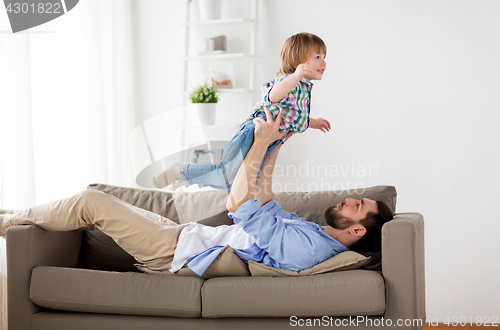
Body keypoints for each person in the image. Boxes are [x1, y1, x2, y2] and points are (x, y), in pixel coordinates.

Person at [0, 109, 393, 276]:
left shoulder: (310, 251)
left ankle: (9, 222)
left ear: (358, 230)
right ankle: (15, 214)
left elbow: (237, 203)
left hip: (176, 253)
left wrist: (258, 143)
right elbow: (266, 199)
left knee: (92, 201)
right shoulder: (316, 233)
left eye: (355, 206)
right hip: (184, 234)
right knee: (103, 203)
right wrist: (276, 143)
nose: (346, 201)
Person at [152, 32, 331, 191]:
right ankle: (179, 171)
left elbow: (295, 116)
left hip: (269, 140)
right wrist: (295, 76)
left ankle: (185, 179)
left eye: (324, 57)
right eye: (317, 57)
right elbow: (273, 97)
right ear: (296, 62)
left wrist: (313, 122)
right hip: (254, 130)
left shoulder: (303, 87)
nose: (323, 62)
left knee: (236, 184)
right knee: (226, 173)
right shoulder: (288, 81)